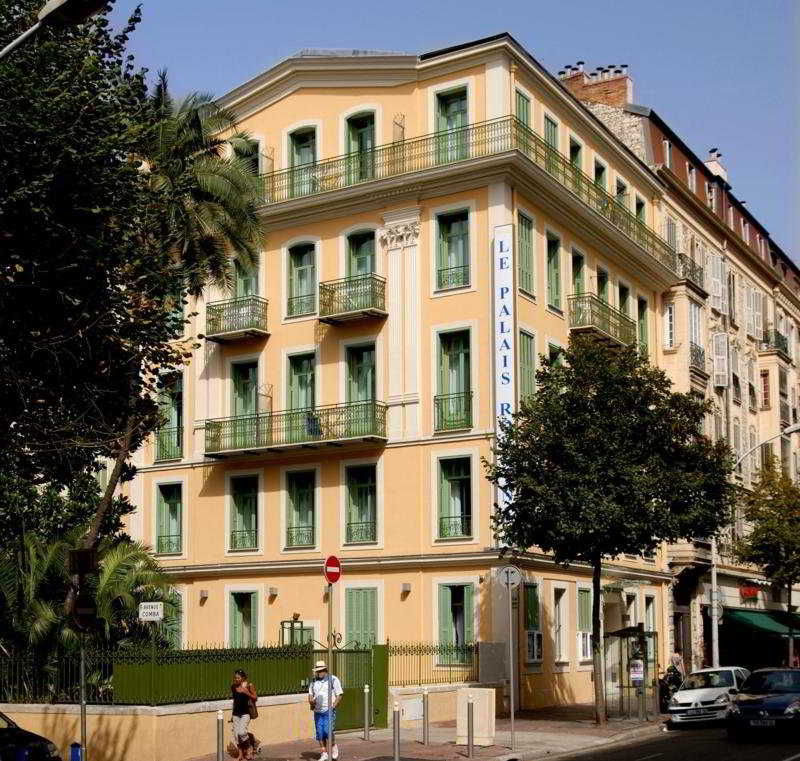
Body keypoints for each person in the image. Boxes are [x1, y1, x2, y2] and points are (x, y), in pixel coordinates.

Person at [308, 660, 343, 761]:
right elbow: (310, 695)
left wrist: (333, 706)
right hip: (317, 711)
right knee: (320, 733)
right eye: (317, 671)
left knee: (328, 731)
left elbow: (339, 694)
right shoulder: (313, 681)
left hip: (328, 710)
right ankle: (324, 753)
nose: (319, 673)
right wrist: (311, 701)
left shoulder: (333, 679)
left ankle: (333, 746)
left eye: (321, 671)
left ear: (325, 670)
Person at [231, 669, 257, 761]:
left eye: (238, 678)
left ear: (243, 678)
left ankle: (249, 747)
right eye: (235, 678)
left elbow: (255, 697)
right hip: (236, 714)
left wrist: (247, 692)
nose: (236, 679)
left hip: (245, 713)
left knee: (242, 733)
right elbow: (235, 701)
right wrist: (232, 715)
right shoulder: (233, 687)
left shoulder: (249, 686)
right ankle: (240, 755)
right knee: (236, 735)